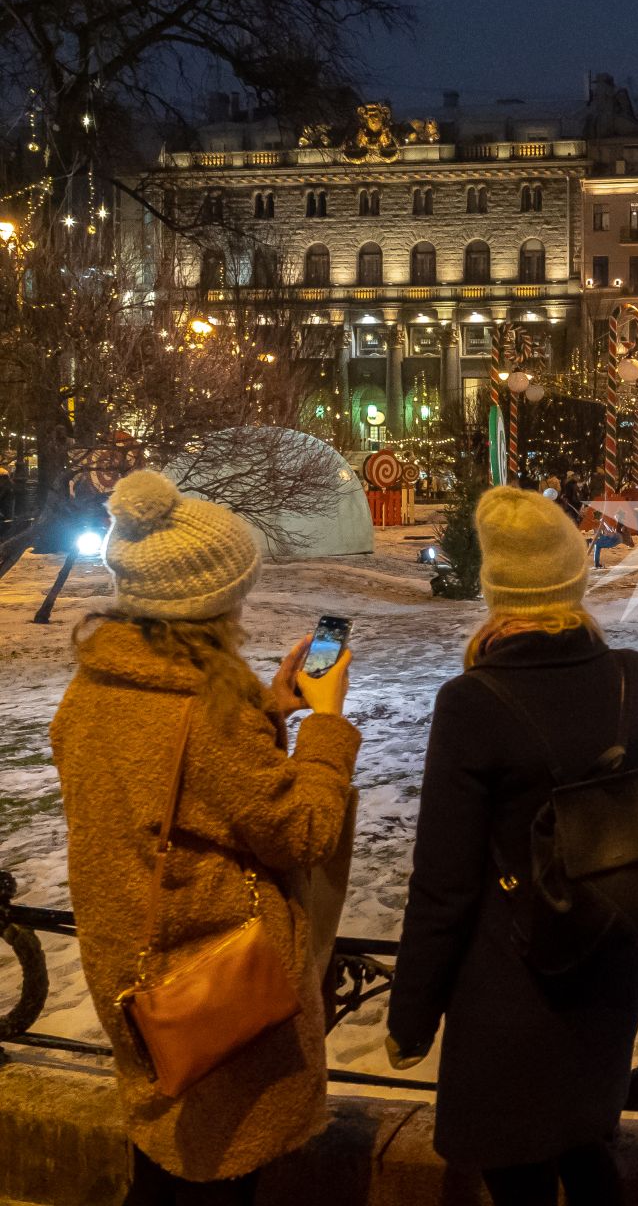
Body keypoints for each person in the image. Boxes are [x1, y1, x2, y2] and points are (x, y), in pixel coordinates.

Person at [52, 470, 360, 1202]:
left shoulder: (95, 686)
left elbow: (182, 796)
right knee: (209, 1184)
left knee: (162, 1170)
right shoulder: (205, 715)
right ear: (210, 602)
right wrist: (324, 723)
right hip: (215, 988)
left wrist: (268, 710)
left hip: (136, 974)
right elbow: (304, 829)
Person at [387, 486, 638, 1206]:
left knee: (518, 1177)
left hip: (512, 984)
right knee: (587, 1150)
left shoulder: (474, 703)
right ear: (575, 577)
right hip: (606, 966)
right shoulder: (629, 680)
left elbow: (443, 882)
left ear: (495, 588)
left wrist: (411, 1016)